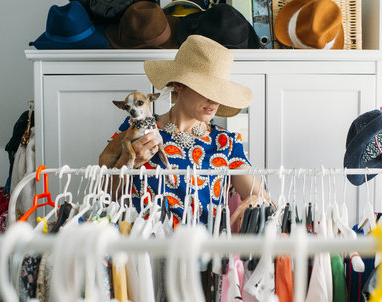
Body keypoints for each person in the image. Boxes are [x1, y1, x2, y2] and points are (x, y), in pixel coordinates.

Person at [110, 35, 266, 225]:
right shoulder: (136, 128)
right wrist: (128, 162)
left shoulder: (226, 143)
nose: (215, 100)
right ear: (178, 85)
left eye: (220, 92)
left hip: (203, 251)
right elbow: (102, 195)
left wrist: (257, 201)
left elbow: (263, 200)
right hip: (142, 249)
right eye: (208, 89)